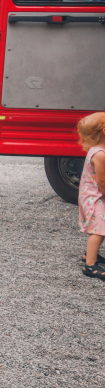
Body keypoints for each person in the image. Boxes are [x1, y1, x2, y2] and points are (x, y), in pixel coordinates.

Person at [77, 112, 105, 280]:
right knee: (98, 230)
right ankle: (90, 266)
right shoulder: (100, 155)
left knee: (100, 227)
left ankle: (90, 255)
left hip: (92, 194)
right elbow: (102, 181)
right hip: (94, 197)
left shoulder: (98, 150)